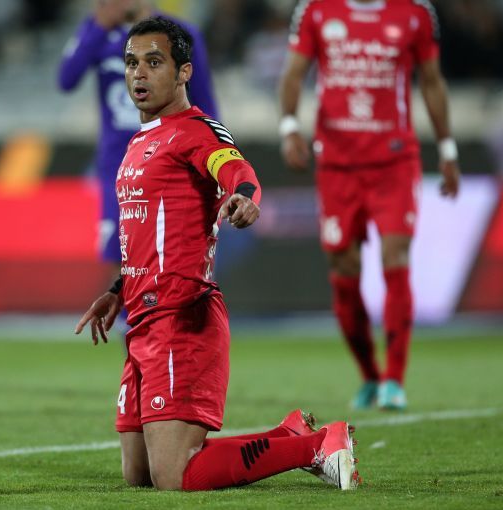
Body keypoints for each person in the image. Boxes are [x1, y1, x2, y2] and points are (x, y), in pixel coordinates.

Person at [75, 17, 358, 491]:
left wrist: (245, 197)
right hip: (141, 318)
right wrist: (117, 290)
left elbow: (236, 169)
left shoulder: (196, 131)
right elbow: (147, 236)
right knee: (138, 473)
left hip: (180, 317)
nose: (139, 73)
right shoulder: (140, 141)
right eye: (131, 63)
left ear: (184, 72)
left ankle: (319, 445)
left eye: (154, 62)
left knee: (174, 475)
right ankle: (288, 434)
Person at [279, 0, 461, 410]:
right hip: (337, 164)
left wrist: (447, 148)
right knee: (343, 269)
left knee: (396, 256)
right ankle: (369, 376)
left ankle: (395, 379)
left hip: (394, 160)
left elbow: (432, 81)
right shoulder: (316, 9)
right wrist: (289, 127)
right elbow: (293, 72)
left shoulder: (414, 12)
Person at [58, 0, 218, 289]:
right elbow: (66, 79)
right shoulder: (99, 30)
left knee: (175, 256)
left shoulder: (181, 33)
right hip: (118, 165)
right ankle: (128, 318)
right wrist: (98, 26)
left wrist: (213, 165)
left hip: (171, 161)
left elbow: (205, 104)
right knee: (120, 257)